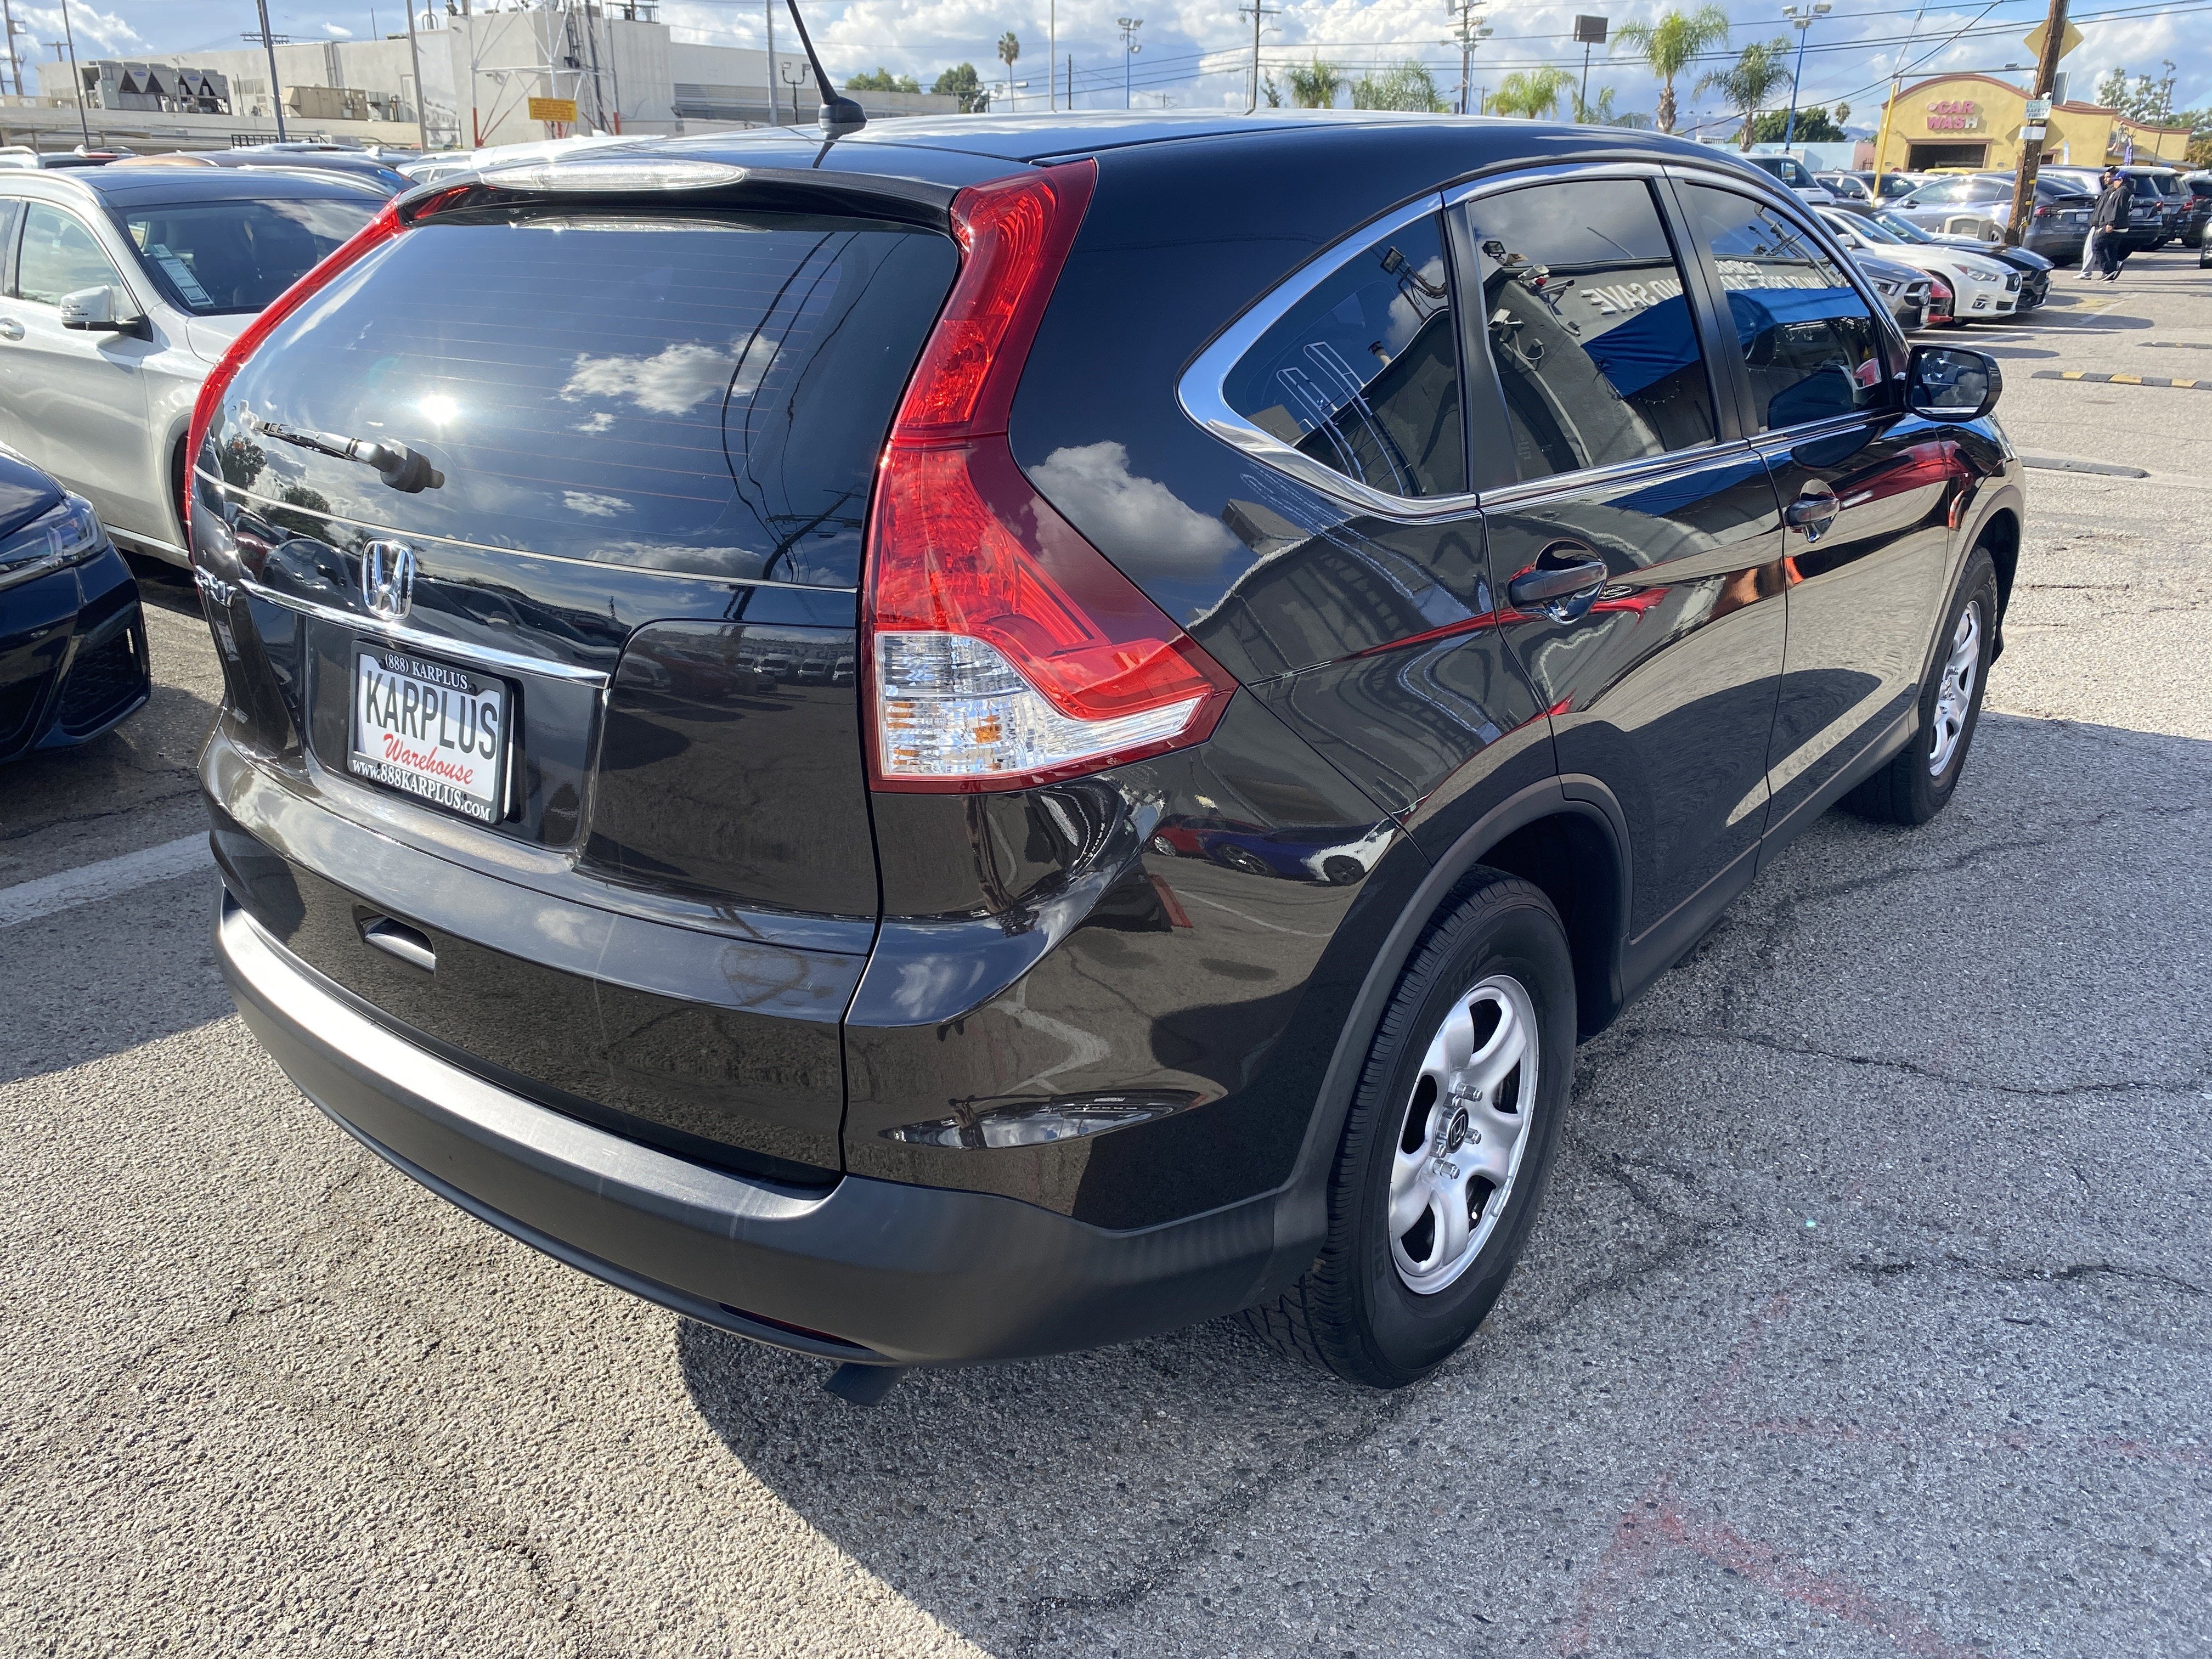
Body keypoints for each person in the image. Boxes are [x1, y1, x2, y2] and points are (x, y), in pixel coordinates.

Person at [2088, 167, 2131, 281]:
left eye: (2116, 180)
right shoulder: (2118, 191)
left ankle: (2108, 270)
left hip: (2114, 226)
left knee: (2097, 246)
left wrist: (2111, 223)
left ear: (2121, 180)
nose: (2114, 182)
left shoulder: (2122, 191)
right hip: (2117, 226)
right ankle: (2111, 271)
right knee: (2111, 249)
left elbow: (2118, 208)